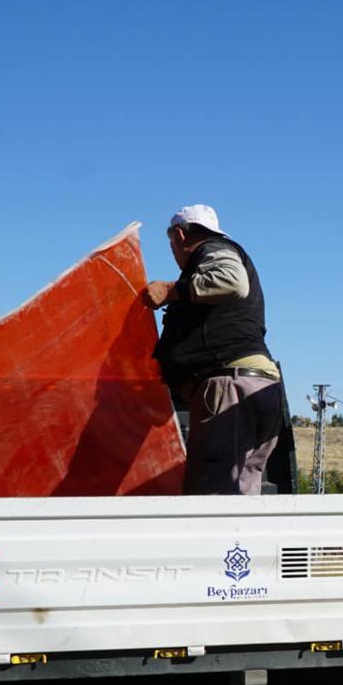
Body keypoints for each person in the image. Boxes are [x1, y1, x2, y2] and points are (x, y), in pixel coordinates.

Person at [142, 204, 282, 495]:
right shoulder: (217, 259)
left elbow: (232, 281)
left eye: (171, 246)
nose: (175, 255)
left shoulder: (213, 249)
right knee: (240, 497)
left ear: (180, 236)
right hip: (257, 385)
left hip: (228, 388)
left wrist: (172, 290)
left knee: (211, 497)